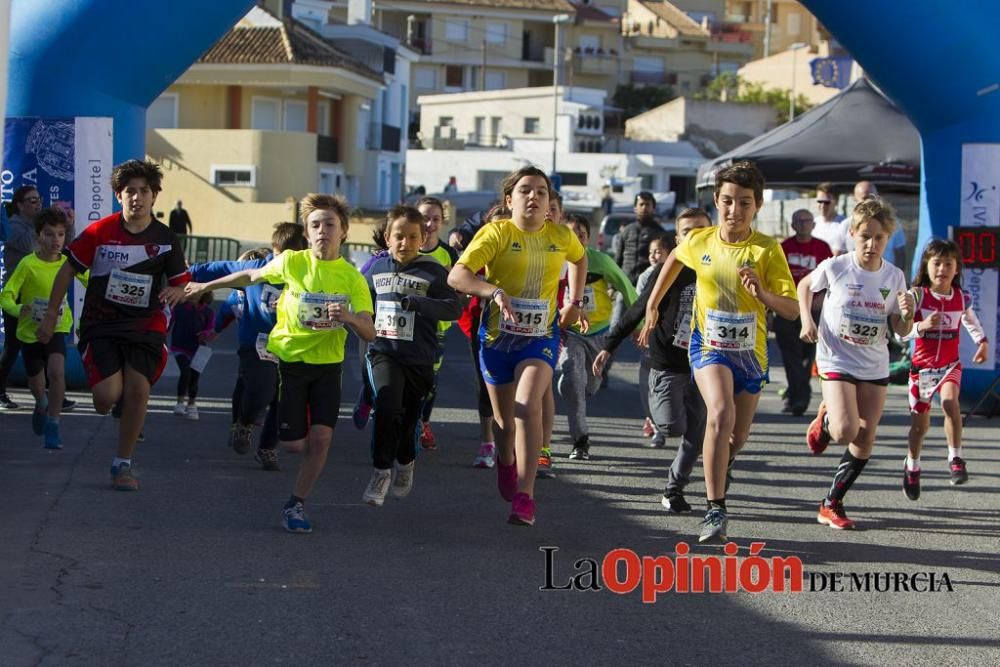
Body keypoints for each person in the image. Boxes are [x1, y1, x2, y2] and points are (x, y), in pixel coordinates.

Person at [170, 194, 375, 533]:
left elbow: (369, 330)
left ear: (344, 231)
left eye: (330, 224)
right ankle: (284, 439)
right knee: (294, 444)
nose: (323, 231)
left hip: (327, 367)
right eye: (315, 225)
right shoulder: (294, 262)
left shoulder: (352, 278)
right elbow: (250, 275)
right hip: (290, 363)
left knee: (322, 440)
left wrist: (350, 317)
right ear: (307, 234)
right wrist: (205, 285)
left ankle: (296, 504)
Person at [639, 161, 799, 544]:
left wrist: (763, 294)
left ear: (757, 206)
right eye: (727, 201)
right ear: (716, 201)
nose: (734, 211)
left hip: (751, 355)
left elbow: (792, 310)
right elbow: (675, 258)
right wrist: (653, 304)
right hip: (708, 346)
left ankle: (720, 462)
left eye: (744, 203)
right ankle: (715, 509)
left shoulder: (766, 250)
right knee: (720, 412)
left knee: (736, 436)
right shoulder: (701, 240)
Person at [38, 160, 192, 491]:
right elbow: (67, 271)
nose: (137, 198)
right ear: (118, 196)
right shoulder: (99, 232)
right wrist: (52, 315)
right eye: (130, 192)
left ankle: (122, 464)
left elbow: (182, 282)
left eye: (144, 192)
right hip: (102, 323)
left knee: (139, 389)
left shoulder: (166, 238)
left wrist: (177, 290)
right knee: (105, 398)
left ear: (155, 196)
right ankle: (112, 400)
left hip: (144, 323)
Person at [448, 166, 587, 527]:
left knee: (527, 409)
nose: (534, 197)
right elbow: (457, 275)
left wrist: (574, 299)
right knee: (504, 423)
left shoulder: (560, 236)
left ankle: (525, 497)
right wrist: (492, 291)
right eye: (525, 190)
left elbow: (580, 257)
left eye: (541, 192)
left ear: (549, 202)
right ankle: (506, 462)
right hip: (496, 340)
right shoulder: (496, 232)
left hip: (540, 338)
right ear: (509, 200)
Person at [799, 197, 915, 530]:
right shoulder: (838, 266)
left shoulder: (894, 277)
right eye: (865, 236)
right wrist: (807, 320)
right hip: (836, 356)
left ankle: (831, 503)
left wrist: (907, 314)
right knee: (845, 430)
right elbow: (805, 285)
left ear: (887, 239)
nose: (871, 243)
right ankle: (826, 420)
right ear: (852, 233)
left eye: (879, 238)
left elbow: (901, 330)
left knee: (865, 436)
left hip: (874, 362)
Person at [595, 208, 710, 512]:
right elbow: (637, 309)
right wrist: (610, 345)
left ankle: (674, 489)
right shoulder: (669, 270)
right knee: (672, 426)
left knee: (697, 433)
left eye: (702, 229)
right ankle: (652, 401)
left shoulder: (719, 268)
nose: (696, 236)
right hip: (666, 363)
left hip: (706, 364)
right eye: (688, 231)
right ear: (677, 239)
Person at [361, 205, 462, 506]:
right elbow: (362, 302)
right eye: (399, 236)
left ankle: (405, 460)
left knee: (407, 420)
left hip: (419, 357)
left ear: (422, 238)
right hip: (384, 352)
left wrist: (419, 303)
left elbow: (454, 308)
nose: (405, 243)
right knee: (386, 406)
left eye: (412, 237)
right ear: (387, 238)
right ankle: (381, 471)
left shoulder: (432, 270)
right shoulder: (376, 268)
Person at [191, 225, 308, 471]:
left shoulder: (308, 274)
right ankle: (244, 422)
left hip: (291, 347)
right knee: (261, 390)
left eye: (289, 259)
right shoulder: (256, 269)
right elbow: (218, 270)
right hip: (257, 343)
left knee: (283, 401)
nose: (281, 265)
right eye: (277, 257)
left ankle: (267, 448)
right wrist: (183, 272)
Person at [899, 239, 988, 498]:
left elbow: (971, 322)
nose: (942, 269)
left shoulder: (961, 297)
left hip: (950, 366)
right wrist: (921, 326)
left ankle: (956, 459)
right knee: (920, 427)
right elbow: (901, 335)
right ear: (926, 266)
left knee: (951, 404)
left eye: (948, 264)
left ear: (957, 268)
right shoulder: (917, 296)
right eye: (936, 263)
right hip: (922, 370)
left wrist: (982, 342)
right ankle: (912, 465)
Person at [0, 207, 85, 448]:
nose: (55, 240)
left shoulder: (69, 263)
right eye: (49, 234)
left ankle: (54, 424)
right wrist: (18, 310)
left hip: (59, 327)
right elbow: (6, 296)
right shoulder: (28, 264)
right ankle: (41, 404)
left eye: (60, 234)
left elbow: (92, 281)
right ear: (38, 236)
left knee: (57, 372)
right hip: (30, 332)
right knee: (37, 384)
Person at [557, 213, 637, 461]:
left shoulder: (600, 261)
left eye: (581, 235)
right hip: (570, 332)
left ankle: (573, 385)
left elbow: (626, 287)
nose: (577, 239)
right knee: (574, 379)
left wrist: (639, 322)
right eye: (571, 234)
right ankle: (580, 441)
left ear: (588, 238)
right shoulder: (557, 262)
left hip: (599, 333)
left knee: (588, 385)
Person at [414, 196, 461, 450]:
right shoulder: (406, 247)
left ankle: (423, 422)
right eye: (424, 218)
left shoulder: (448, 253)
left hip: (437, 329)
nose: (429, 224)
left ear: (442, 223)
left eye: (435, 219)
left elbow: (459, 291)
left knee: (429, 379)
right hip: (406, 326)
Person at [776, 209, 832, 415]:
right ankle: (799, 397)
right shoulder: (784, 248)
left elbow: (830, 279)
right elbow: (774, 279)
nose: (803, 224)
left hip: (815, 310)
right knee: (791, 357)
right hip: (788, 309)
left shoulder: (822, 247)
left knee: (809, 357)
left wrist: (820, 300)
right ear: (792, 225)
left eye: (807, 221)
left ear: (813, 224)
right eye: (798, 221)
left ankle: (795, 395)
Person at [0, 185, 43, 410]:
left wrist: (69, 223)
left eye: (38, 199)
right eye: (32, 200)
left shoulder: (37, 225)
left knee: (40, 341)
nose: (37, 204)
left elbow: (60, 245)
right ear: (19, 205)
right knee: (13, 345)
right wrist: (41, 223)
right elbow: (29, 245)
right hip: (15, 294)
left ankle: (47, 394)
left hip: (36, 292)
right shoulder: (14, 225)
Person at [636, 234, 670, 444]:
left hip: (673, 337)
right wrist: (639, 329)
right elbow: (637, 307)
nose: (654, 256)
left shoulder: (680, 274)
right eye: (651, 253)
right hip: (651, 336)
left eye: (658, 251)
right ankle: (654, 422)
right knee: (648, 382)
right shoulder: (644, 277)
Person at [169, 292, 215, 420]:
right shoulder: (178, 308)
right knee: (185, 372)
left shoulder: (208, 312)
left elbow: (211, 328)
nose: (192, 295)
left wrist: (205, 333)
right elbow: (168, 323)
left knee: (195, 376)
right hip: (179, 346)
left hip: (199, 349)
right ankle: (179, 402)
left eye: (197, 293)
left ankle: (192, 404)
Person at [613, 191, 673, 285]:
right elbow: (618, 259)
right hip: (626, 283)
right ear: (635, 208)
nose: (644, 208)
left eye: (648, 205)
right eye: (641, 204)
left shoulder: (660, 232)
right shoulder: (627, 231)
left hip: (648, 283)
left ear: (653, 208)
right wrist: (612, 286)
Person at [811, 182, 846, 255]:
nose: (822, 206)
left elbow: (837, 256)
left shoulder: (844, 224)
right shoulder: (813, 222)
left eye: (827, 202)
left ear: (836, 202)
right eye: (819, 201)